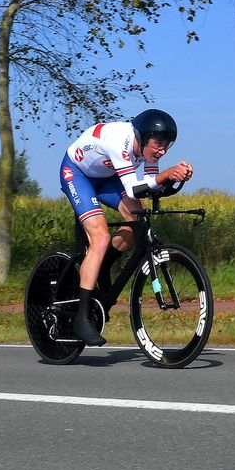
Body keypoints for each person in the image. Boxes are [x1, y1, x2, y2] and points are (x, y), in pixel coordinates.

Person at [58, 108, 193, 345]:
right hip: (77, 174)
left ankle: (103, 265)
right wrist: (165, 176)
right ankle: (81, 318)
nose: (162, 150)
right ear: (142, 136)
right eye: (158, 144)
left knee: (137, 218)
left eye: (167, 146)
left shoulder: (151, 149)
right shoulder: (120, 140)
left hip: (106, 177)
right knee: (99, 238)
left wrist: (173, 178)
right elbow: (133, 188)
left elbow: (150, 187)